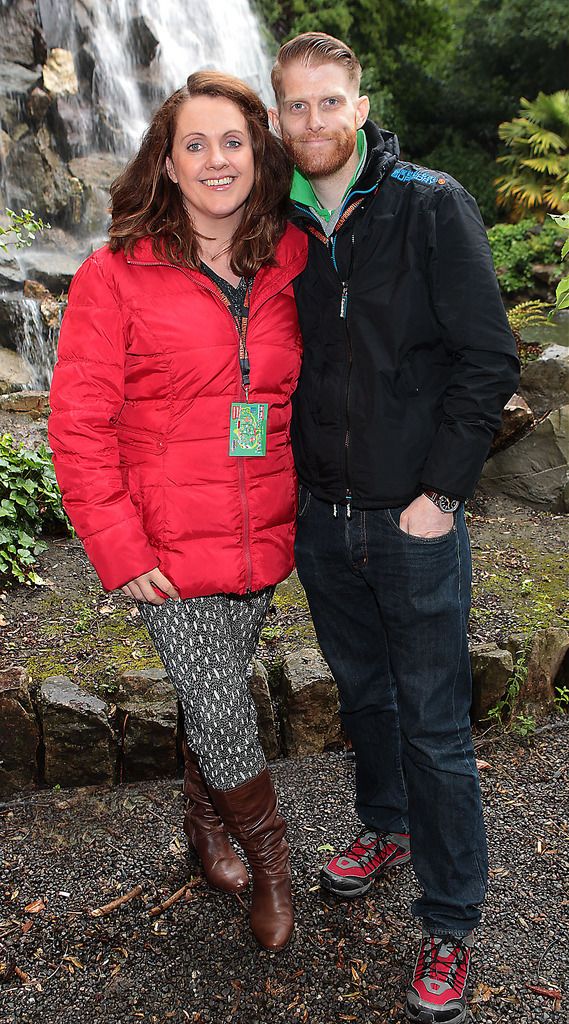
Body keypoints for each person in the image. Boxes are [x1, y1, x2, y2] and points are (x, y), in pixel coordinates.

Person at [268, 32, 520, 1021]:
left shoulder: (425, 201)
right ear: (277, 113)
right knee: (364, 700)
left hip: (410, 525)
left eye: (330, 103)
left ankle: (450, 920)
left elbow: (487, 358)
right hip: (321, 523)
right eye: (295, 107)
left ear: (358, 104)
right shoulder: (280, 224)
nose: (314, 123)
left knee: (432, 723)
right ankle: (380, 826)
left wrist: (440, 491)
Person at [48, 70, 307, 953]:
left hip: (260, 532)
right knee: (224, 707)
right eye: (191, 143)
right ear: (164, 161)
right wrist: (120, 549)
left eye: (231, 141)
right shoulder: (115, 272)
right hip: (166, 548)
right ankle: (270, 864)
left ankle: (203, 828)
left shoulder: (291, 260)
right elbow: (77, 428)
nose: (214, 159)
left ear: (258, 153)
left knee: (214, 700)